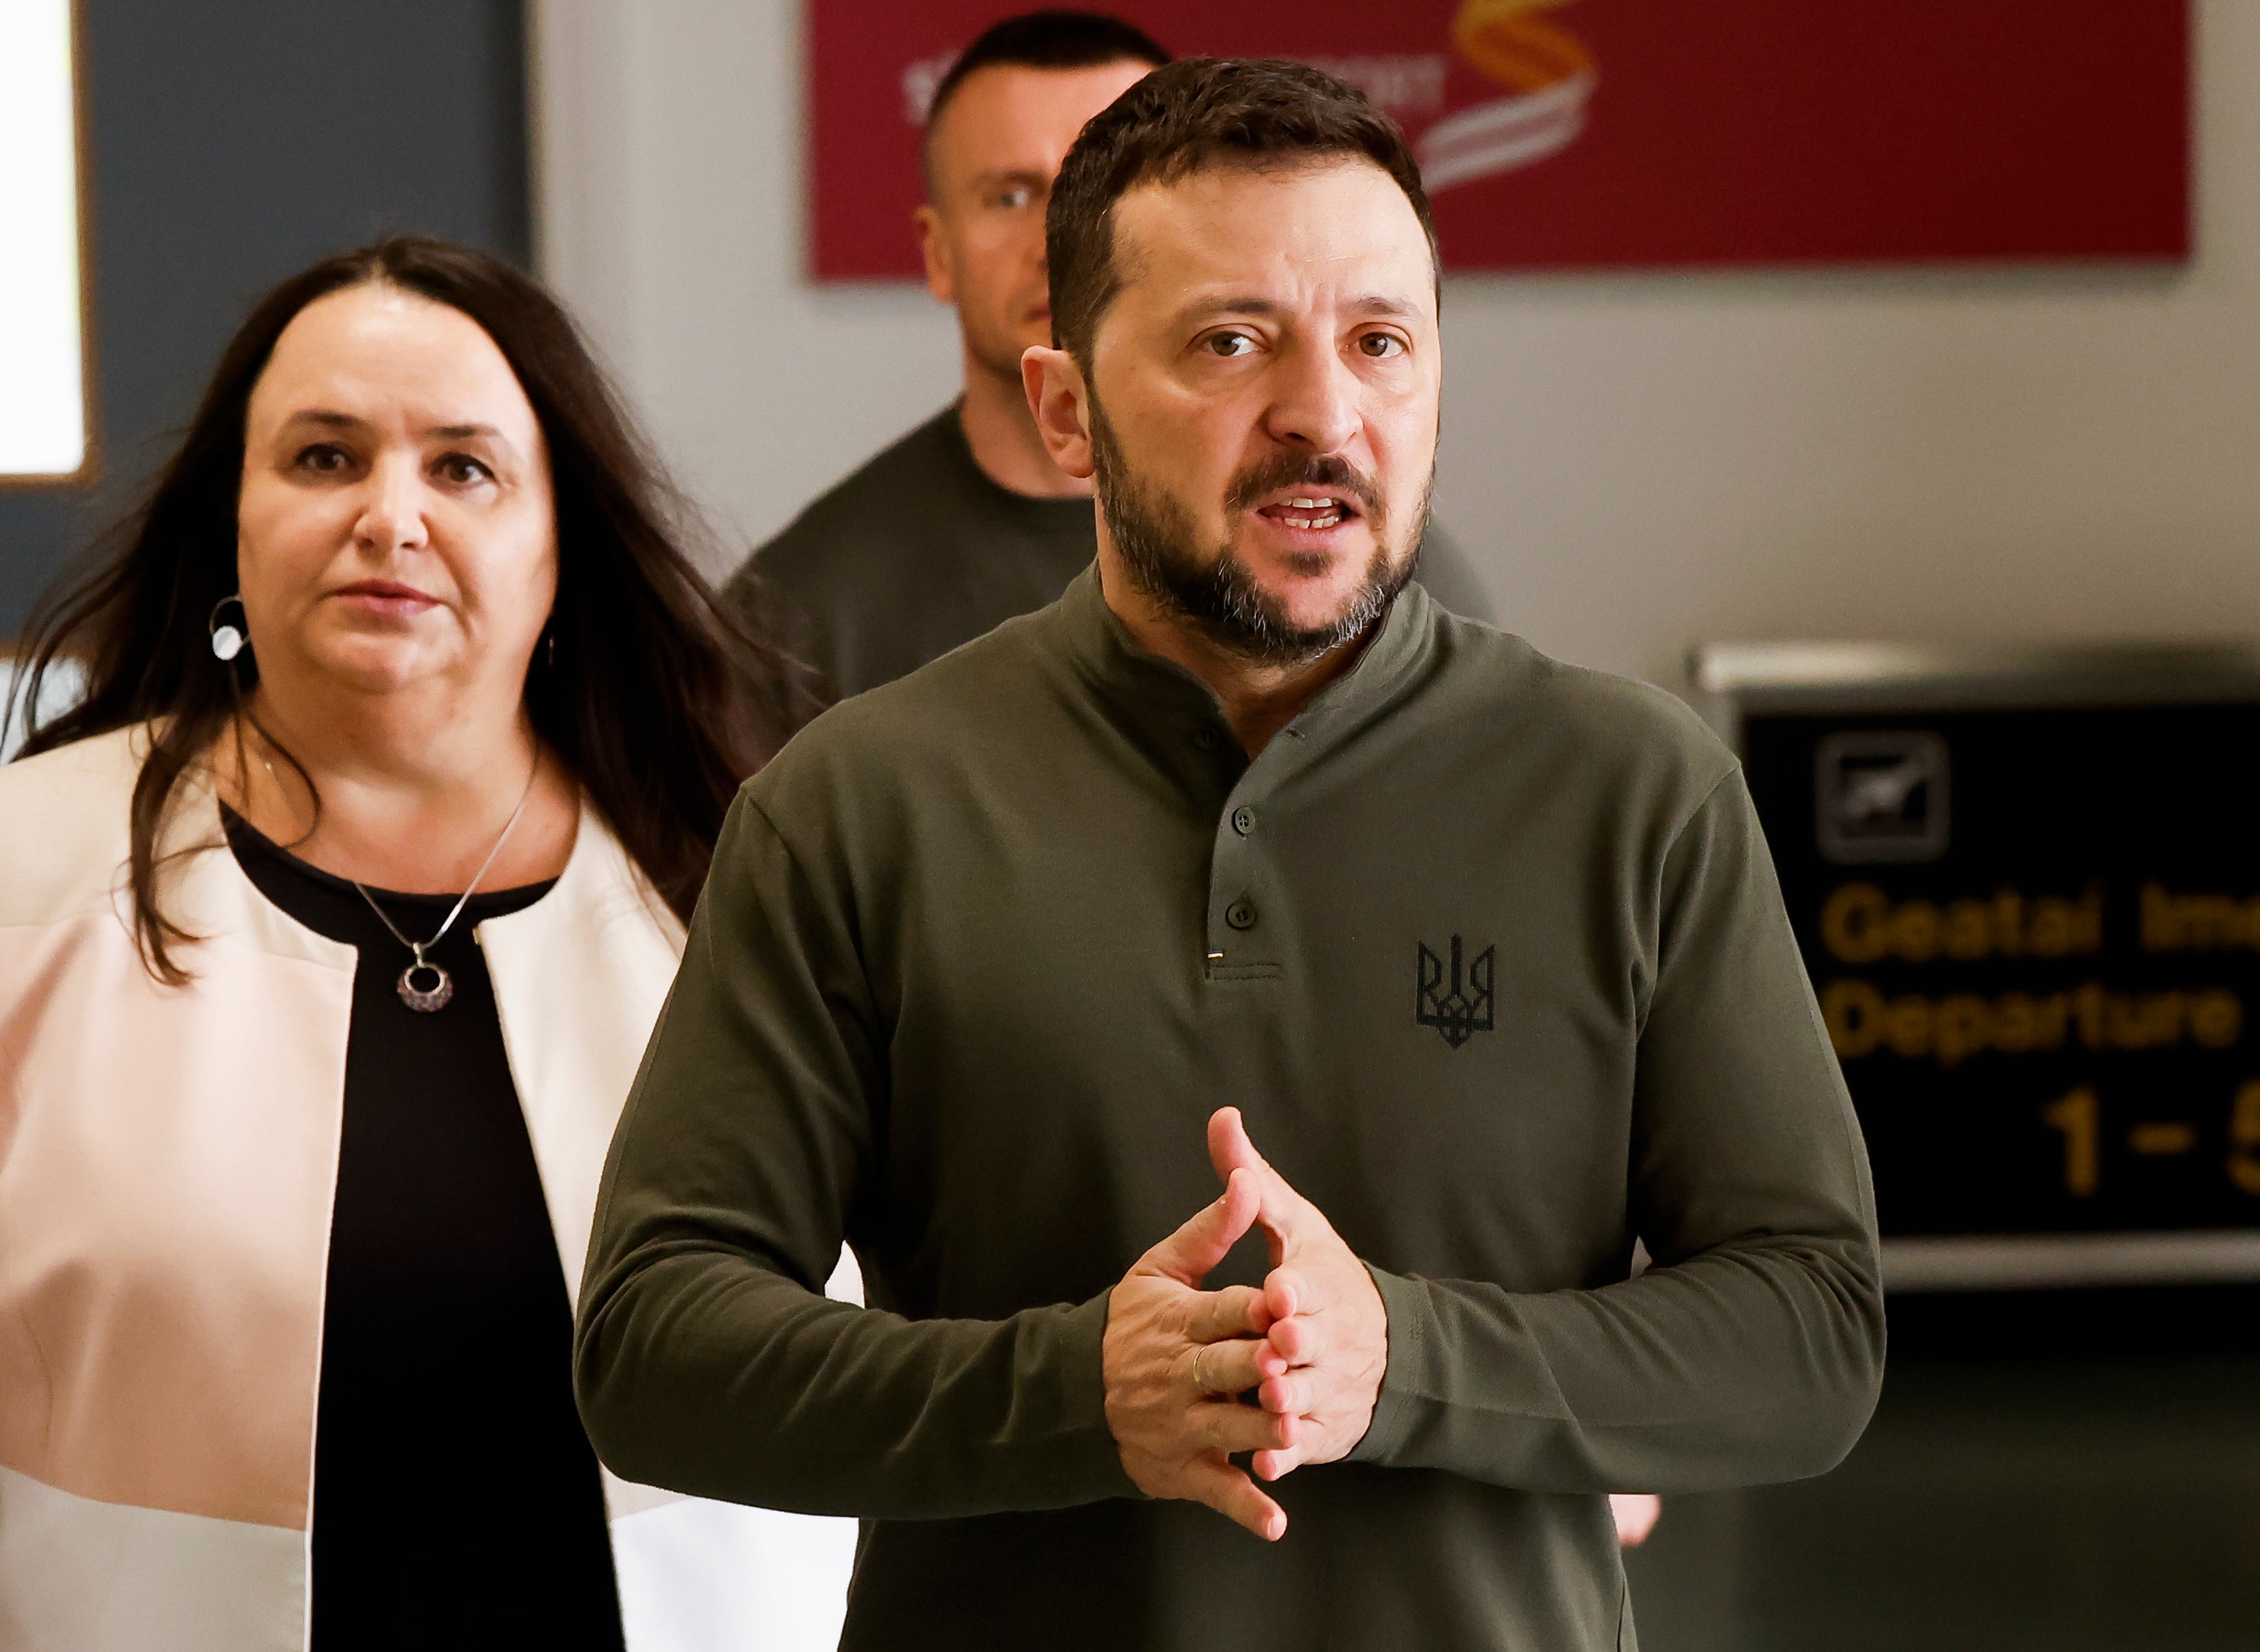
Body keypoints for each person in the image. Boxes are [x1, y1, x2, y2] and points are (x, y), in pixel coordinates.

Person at [576, 60, 1884, 1651]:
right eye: (1229, 343)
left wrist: (1406, 1358)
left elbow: (1806, 1339)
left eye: (1377, 343)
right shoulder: (855, 804)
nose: (1321, 414)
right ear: (1066, 411)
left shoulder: (1632, 794)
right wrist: (1074, 1390)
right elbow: (650, 1352)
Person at [0, 238, 845, 1650]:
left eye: (463, 468)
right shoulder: (24, 873)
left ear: (559, 539)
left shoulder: (749, 884)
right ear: (236, 519)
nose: (390, 514)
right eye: (325, 457)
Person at [729, 10, 1495, 728]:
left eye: (1107, 183)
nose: (1064, 236)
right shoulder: (802, 613)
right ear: (937, 251)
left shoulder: (1367, 562)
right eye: (1011, 195)